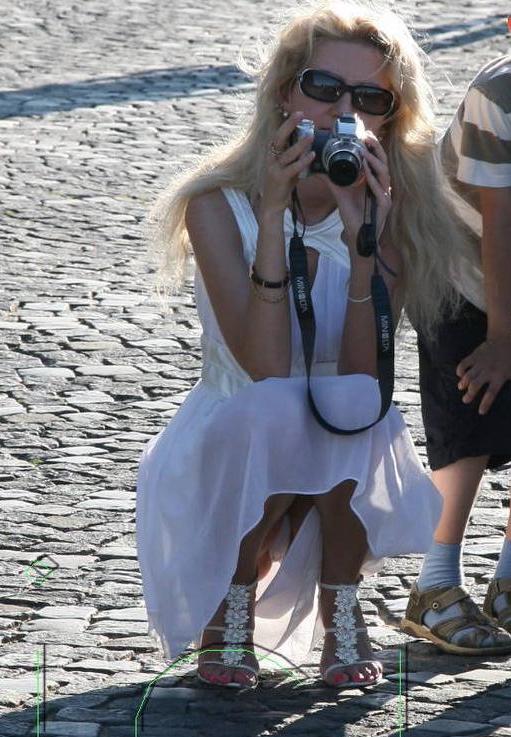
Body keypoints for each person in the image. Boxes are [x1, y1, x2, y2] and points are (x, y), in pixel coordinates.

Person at [136, 0, 474, 690]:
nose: (338, 112)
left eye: (367, 97)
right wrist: (269, 216)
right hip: (231, 442)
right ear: (285, 91)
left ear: (387, 117)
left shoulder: (391, 209)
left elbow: (358, 372)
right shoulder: (216, 203)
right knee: (274, 406)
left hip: (337, 454)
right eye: (323, 88)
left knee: (353, 399)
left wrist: (362, 244)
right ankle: (227, 608)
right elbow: (263, 366)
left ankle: (339, 607)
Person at [402, 54, 511, 655]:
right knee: (467, 413)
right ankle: (434, 584)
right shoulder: (500, 92)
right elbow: (500, 224)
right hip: (455, 264)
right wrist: (502, 340)